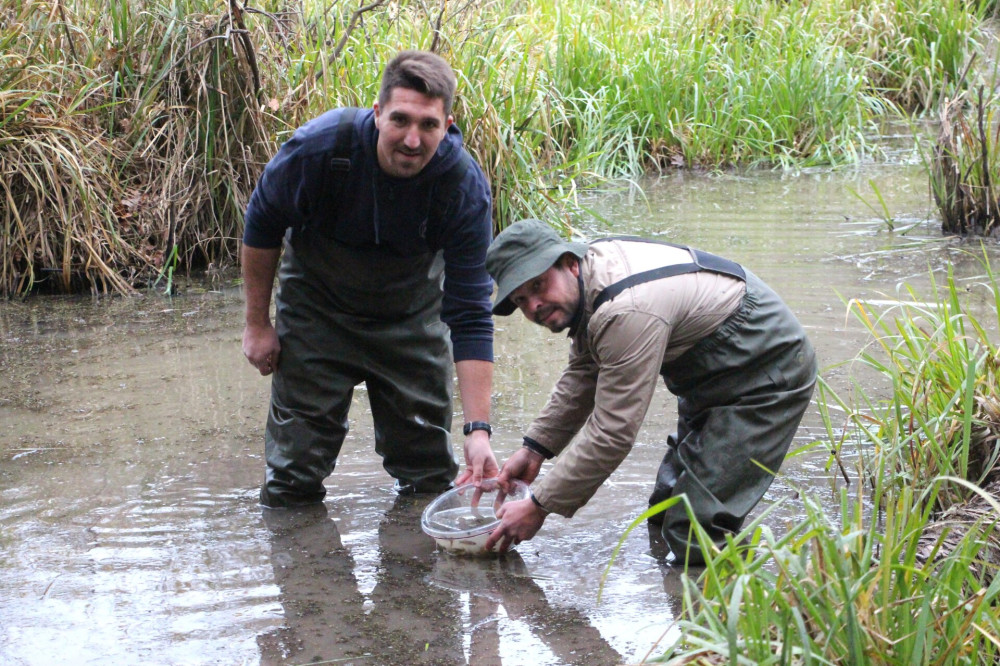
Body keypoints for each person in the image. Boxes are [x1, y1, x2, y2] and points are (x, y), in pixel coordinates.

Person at [241, 50, 498, 508]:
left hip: (411, 318)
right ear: (377, 113)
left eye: (429, 125)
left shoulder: (462, 187)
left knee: (429, 477)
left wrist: (478, 430)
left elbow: (471, 312)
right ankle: (302, 574)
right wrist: (258, 324)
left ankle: (418, 573)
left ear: (448, 124)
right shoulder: (319, 148)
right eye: (400, 120)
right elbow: (261, 226)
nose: (413, 140)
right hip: (316, 311)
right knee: (291, 479)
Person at [482, 219, 817, 564]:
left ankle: (742, 610)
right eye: (521, 300)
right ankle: (680, 602)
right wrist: (536, 448)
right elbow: (585, 370)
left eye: (539, 285)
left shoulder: (625, 310)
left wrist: (539, 506)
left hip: (766, 373)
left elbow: (611, 434)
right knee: (665, 508)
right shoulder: (591, 281)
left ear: (569, 263)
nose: (534, 305)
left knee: (695, 529)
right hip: (711, 377)